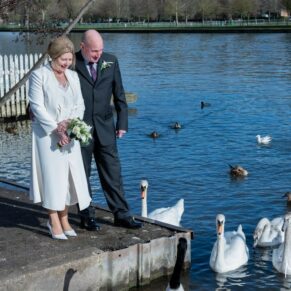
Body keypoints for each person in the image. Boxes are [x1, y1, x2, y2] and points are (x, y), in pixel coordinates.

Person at [75, 29, 142, 230]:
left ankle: (121, 214)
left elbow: (119, 93)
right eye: (94, 51)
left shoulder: (111, 61)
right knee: (81, 174)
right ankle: (86, 215)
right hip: (80, 128)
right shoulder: (72, 63)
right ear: (82, 47)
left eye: (101, 50)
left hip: (106, 127)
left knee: (113, 173)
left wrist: (122, 123)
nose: (98, 54)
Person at [28, 36, 91, 240]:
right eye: (62, 59)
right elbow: (36, 106)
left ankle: (65, 218)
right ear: (53, 56)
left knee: (67, 180)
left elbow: (79, 104)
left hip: (69, 135)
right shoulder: (39, 76)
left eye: (69, 59)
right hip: (47, 137)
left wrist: (71, 125)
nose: (66, 63)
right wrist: (56, 128)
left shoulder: (73, 76)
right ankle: (53, 220)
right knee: (53, 179)